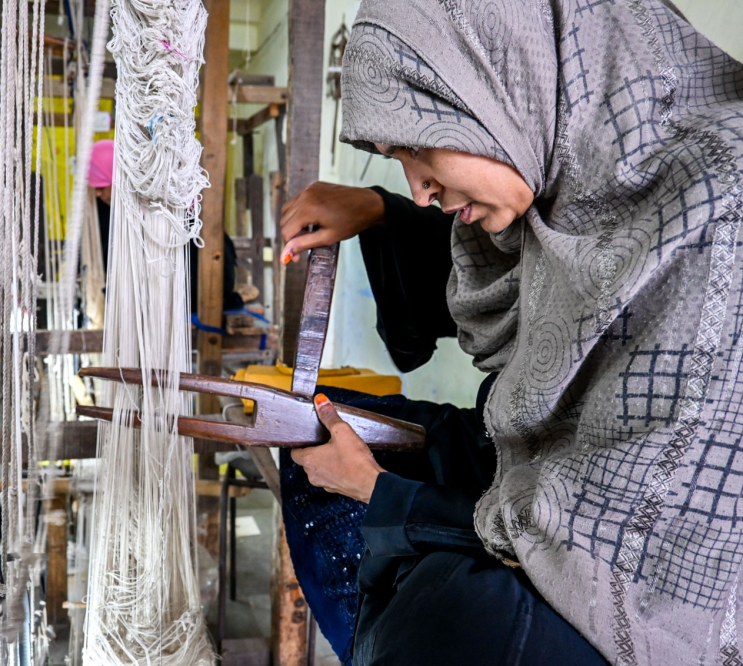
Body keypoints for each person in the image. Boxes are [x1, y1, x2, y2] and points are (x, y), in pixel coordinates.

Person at [277, 1, 743, 665]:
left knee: (452, 618)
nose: (420, 187)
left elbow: (646, 537)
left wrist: (383, 496)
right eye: (394, 159)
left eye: (416, 144)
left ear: (503, 76)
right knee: (320, 434)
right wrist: (378, 210)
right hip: (552, 467)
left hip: (656, 572)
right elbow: (529, 268)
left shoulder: (717, 206)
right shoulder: (573, 173)